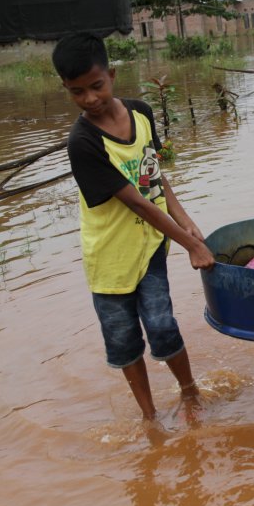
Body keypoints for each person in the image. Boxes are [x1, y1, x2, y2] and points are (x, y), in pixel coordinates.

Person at [51, 32, 215, 421]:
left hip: (151, 246)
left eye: (96, 86)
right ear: (66, 89)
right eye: (77, 92)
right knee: (124, 340)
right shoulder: (83, 142)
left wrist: (186, 221)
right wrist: (190, 245)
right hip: (110, 257)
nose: (90, 98)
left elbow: (153, 178)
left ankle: (190, 393)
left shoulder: (141, 112)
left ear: (111, 74)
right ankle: (149, 417)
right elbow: (137, 203)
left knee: (162, 325)